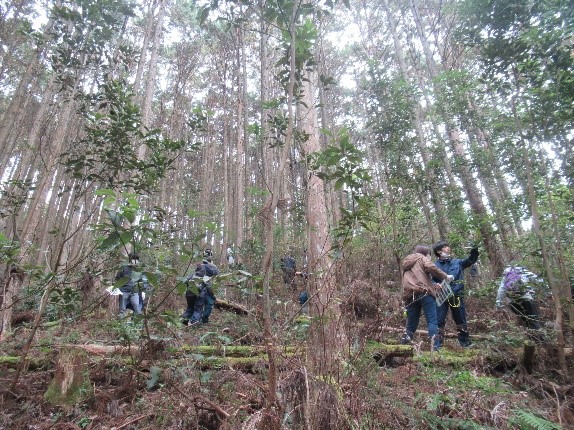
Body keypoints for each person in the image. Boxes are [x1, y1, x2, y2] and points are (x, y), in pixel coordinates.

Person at [400, 245, 453, 351]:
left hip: (410, 295)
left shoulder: (407, 263)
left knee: (411, 322)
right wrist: (445, 276)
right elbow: (431, 267)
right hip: (424, 293)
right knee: (432, 321)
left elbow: (418, 278)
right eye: (429, 254)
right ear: (425, 253)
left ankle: (403, 345)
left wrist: (433, 285)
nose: (430, 256)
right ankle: (436, 347)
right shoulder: (422, 258)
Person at [431, 241, 479, 348]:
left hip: (456, 295)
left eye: (448, 246)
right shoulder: (434, 266)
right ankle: (437, 345)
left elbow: (470, 261)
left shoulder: (457, 262)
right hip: (441, 296)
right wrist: (435, 284)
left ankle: (465, 343)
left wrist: (474, 251)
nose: (448, 248)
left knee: (460, 318)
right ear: (439, 251)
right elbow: (430, 279)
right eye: (445, 247)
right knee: (439, 319)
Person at [496, 265, 543, 330]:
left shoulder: (506, 275)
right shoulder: (523, 271)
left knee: (524, 320)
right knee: (533, 319)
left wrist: (499, 302)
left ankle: (530, 336)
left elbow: (501, 289)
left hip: (513, 302)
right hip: (526, 298)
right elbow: (538, 280)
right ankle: (539, 337)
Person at [182, 248, 219, 326]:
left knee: (190, 308)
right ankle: (194, 323)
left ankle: (183, 320)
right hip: (200, 292)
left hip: (189, 292)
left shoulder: (194, 273)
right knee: (198, 309)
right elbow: (215, 273)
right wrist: (212, 295)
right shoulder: (206, 273)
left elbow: (185, 280)